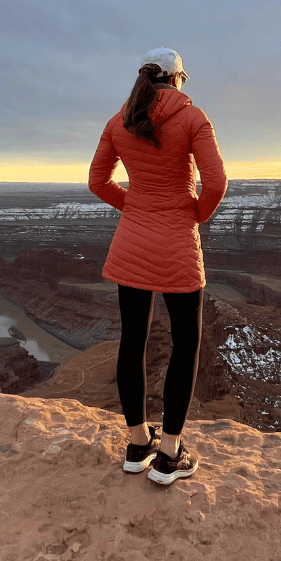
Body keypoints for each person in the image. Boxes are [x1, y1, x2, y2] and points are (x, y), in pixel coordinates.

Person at [88, 47, 227, 485]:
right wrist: (193, 215)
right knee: (186, 345)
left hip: (132, 243)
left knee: (133, 340)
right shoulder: (192, 118)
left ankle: (136, 444)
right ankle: (168, 454)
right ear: (177, 78)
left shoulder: (120, 120)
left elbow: (97, 181)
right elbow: (217, 181)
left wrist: (135, 208)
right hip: (177, 245)